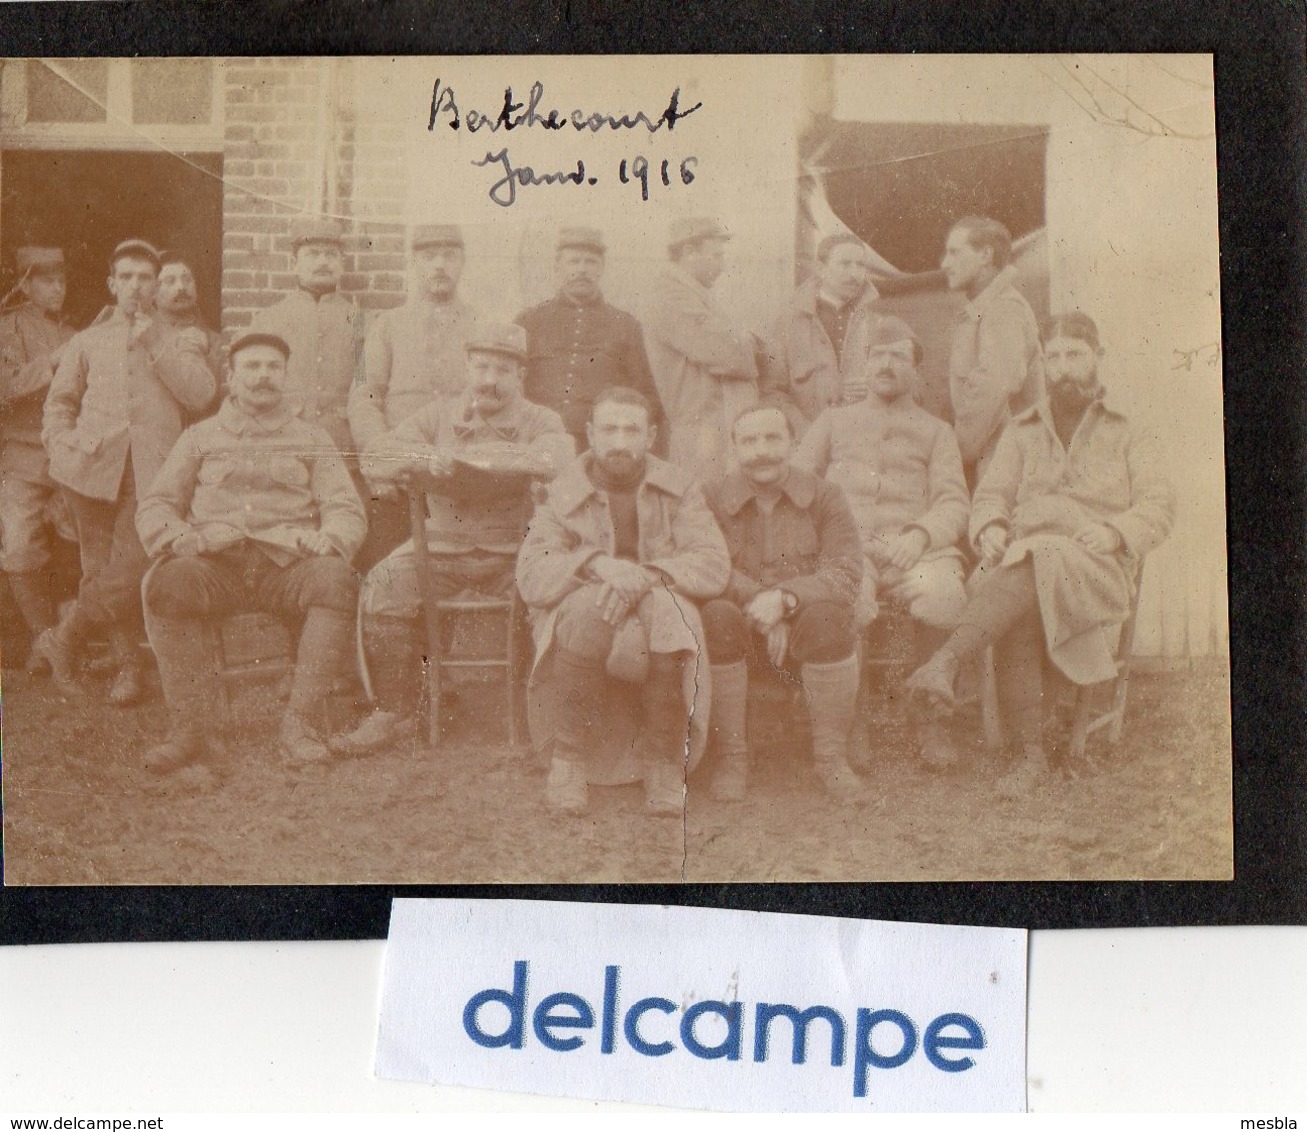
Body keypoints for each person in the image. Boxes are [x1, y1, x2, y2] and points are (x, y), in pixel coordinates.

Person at [906, 312, 1176, 793]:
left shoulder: (1130, 425)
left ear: (1099, 357)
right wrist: (988, 525)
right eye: (1052, 357)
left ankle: (947, 662)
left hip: (1096, 563)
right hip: (1027, 563)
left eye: (1074, 354)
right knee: (1031, 567)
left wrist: (1116, 532)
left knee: (1034, 558)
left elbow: (1159, 503)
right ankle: (1029, 757)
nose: (1063, 368)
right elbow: (992, 495)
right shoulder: (1023, 427)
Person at [332, 321, 574, 756]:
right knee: (384, 584)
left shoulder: (541, 418)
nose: (489, 380)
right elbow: (377, 456)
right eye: (481, 367)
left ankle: (549, 719)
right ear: (467, 368)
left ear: (520, 375)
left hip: (516, 554)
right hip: (441, 549)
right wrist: (426, 455)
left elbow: (558, 458)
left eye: (502, 370)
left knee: (559, 595)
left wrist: (481, 459)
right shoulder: (439, 413)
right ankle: (394, 710)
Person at [135, 331, 365, 772]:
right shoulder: (199, 437)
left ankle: (300, 725)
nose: (263, 377)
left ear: (285, 375)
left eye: (273, 367)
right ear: (231, 377)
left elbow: (344, 507)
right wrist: (177, 535)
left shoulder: (311, 437)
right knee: (168, 582)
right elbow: (157, 505)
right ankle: (192, 730)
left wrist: (330, 537)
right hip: (215, 565)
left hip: (287, 567)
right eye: (252, 367)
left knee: (336, 580)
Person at [516, 386, 731, 816]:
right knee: (587, 610)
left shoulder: (679, 486)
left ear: (650, 436)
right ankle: (568, 759)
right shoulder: (562, 490)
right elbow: (534, 572)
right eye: (609, 429)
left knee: (670, 615)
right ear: (591, 434)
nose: (619, 442)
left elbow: (711, 563)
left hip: (660, 597)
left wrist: (643, 576)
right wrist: (598, 565)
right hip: (584, 606)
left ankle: (663, 761)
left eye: (631, 430)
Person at [38, 238, 219, 705]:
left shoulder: (182, 338)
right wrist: (61, 451)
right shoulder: (88, 340)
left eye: (146, 279)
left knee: (133, 564)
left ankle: (63, 638)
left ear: (157, 287)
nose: (137, 287)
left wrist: (157, 341)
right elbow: (60, 403)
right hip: (90, 472)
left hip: (154, 472)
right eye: (128, 277)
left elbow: (200, 396)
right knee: (97, 569)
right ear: (112, 284)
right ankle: (128, 670)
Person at [793, 315, 970, 767]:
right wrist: (839, 539)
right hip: (848, 550)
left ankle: (930, 717)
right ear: (864, 366)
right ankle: (851, 724)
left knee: (945, 593)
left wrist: (920, 533)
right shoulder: (832, 422)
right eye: (877, 356)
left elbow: (954, 501)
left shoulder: (937, 431)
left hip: (917, 550)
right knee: (846, 601)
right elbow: (797, 488)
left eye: (897, 356)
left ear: (916, 370)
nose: (885, 364)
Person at [701, 403, 864, 800]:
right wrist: (762, 602)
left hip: (807, 636)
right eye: (749, 441)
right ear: (735, 449)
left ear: (793, 443)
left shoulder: (826, 497)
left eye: (773, 438)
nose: (761, 451)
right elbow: (705, 567)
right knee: (715, 615)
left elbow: (844, 573)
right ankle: (731, 758)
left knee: (830, 616)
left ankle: (831, 759)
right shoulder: (710, 498)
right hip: (740, 635)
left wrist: (787, 600)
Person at [349, 224, 480, 569]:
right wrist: (384, 459)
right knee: (384, 568)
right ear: (414, 263)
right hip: (399, 479)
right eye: (429, 257)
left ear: (463, 262)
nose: (439, 265)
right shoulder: (387, 325)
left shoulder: (481, 324)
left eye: (449, 256)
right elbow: (364, 396)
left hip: (459, 477)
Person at [515, 225, 666, 454]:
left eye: (591, 262)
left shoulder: (625, 325)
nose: (582, 270)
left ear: (602, 268)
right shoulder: (529, 321)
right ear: (558, 266)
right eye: (574, 262)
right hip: (534, 440)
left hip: (599, 447)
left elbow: (646, 397)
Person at [0, 244, 75, 668]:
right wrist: (51, 365)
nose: (58, 289)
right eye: (48, 281)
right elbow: (5, 388)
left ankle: (66, 637)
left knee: (75, 543)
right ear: (26, 284)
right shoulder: (8, 328)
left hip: (64, 455)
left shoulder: (72, 332)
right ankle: (43, 638)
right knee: (20, 546)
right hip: (24, 455)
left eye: (62, 280)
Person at [643, 217, 757, 481]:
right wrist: (746, 342)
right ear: (688, 252)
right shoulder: (670, 295)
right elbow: (727, 352)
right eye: (716, 255)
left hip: (718, 427)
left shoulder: (693, 293)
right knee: (700, 510)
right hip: (702, 434)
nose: (722, 264)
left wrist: (742, 341)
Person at [940, 216, 1045, 487]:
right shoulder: (982, 310)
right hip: (989, 465)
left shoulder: (1003, 309)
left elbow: (993, 387)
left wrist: (951, 457)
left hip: (1002, 473)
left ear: (986, 255)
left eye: (954, 253)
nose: (945, 264)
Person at [250, 216, 362, 452]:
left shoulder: (360, 322)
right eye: (313, 253)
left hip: (341, 444)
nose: (323, 261)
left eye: (331, 254)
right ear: (295, 264)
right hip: (283, 440)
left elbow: (365, 389)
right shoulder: (268, 320)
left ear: (342, 264)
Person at [760, 232, 883, 435]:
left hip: (862, 441)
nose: (855, 274)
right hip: (805, 442)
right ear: (820, 268)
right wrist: (808, 434)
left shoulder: (876, 324)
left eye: (860, 265)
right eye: (845, 264)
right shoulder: (787, 324)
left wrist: (875, 389)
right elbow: (772, 392)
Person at [154, 250, 227, 418]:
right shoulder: (146, 337)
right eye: (170, 281)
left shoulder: (216, 342)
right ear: (152, 293)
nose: (181, 287)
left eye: (187, 280)